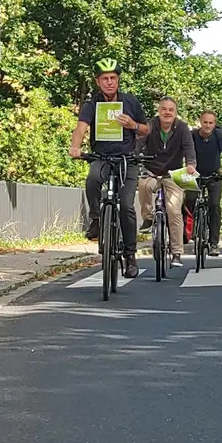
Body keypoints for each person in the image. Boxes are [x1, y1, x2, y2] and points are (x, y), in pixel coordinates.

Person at [68, 58, 150, 278]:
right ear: (98, 81)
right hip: (102, 157)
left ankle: (130, 255)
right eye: (105, 78)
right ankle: (96, 219)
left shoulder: (130, 102)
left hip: (127, 159)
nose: (109, 82)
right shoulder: (92, 104)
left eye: (113, 78)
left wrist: (132, 125)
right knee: (93, 178)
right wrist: (75, 147)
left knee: (126, 206)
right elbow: (81, 127)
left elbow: (146, 130)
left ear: (118, 80)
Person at [135, 97, 197, 267]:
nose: (167, 112)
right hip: (151, 171)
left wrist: (190, 164)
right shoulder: (150, 125)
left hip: (173, 174)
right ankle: (147, 218)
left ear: (175, 113)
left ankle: (176, 252)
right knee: (144, 185)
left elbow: (189, 148)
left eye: (171, 110)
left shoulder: (182, 128)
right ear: (159, 111)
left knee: (174, 210)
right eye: (164, 109)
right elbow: (138, 143)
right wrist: (133, 156)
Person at [190, 110, 222, 256]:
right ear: (200, 122)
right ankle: (190, 231)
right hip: (195, 175)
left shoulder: (218, 135)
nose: (208, 125)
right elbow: (184, 152)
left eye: (211, 123)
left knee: (214, 206)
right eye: (205, 122)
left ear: (214, 124)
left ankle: (214, 242)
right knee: (189, 200)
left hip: (214, 175)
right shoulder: (193, 135)